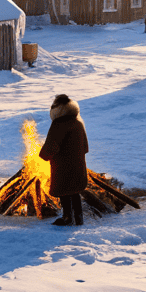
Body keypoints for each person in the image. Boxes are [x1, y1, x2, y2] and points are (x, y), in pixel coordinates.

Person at [39, 93, 89, 226]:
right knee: (75, 191)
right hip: (78, 165)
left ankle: (67, 217)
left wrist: (44, 155)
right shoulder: (78, 122)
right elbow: (85, 147)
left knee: (65, 192)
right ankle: (79, 218)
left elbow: (51, 145)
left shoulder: (59, 124)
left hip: (63, 167)